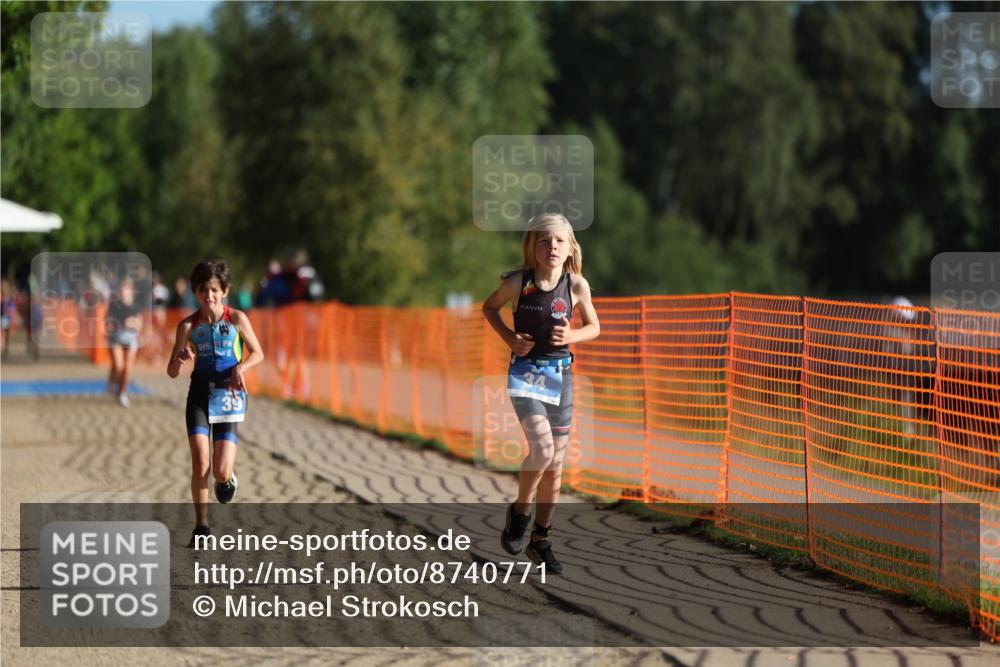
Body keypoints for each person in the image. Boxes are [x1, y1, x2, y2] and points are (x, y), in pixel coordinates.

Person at [481, 213, 600, 574]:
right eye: (544, 241)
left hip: (561, 376)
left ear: (569, 249)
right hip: (526, 374)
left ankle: (541, 539)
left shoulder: (576, 286)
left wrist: (573, 336)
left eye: (559, 241)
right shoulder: (519, 283)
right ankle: (520, 512)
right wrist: (508, 337)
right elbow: (489, 307)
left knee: (556, 464)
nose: (552, 247)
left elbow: (594, 326)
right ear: (532, 247)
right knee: (543, 450)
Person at [167, 258, 264, 546]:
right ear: (195, 293)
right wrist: (179, 359)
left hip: (229, 395)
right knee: (200, 462)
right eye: (202, 290)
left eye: (213, 290)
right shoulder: (187, 326)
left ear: (224, 291)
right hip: (198, 395)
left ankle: (227, 478)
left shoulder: (236, 319)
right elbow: (171, 372)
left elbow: (258, 353)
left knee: (220, 471)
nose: (208, 296)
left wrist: (241, 368)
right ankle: (202, 527)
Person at [106, 276, 143, 408]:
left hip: (131, 339)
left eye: (125, 290)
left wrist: (134, 323)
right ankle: (112, 380)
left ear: (131, 291)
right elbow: (108, 322)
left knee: (127, 368)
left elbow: (140, 323)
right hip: (116, 339)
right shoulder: (114, 305)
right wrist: (117, 325)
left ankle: (122, 393)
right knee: (118, 366)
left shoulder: (136, 307)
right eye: (120, 291)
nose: (122, 293)